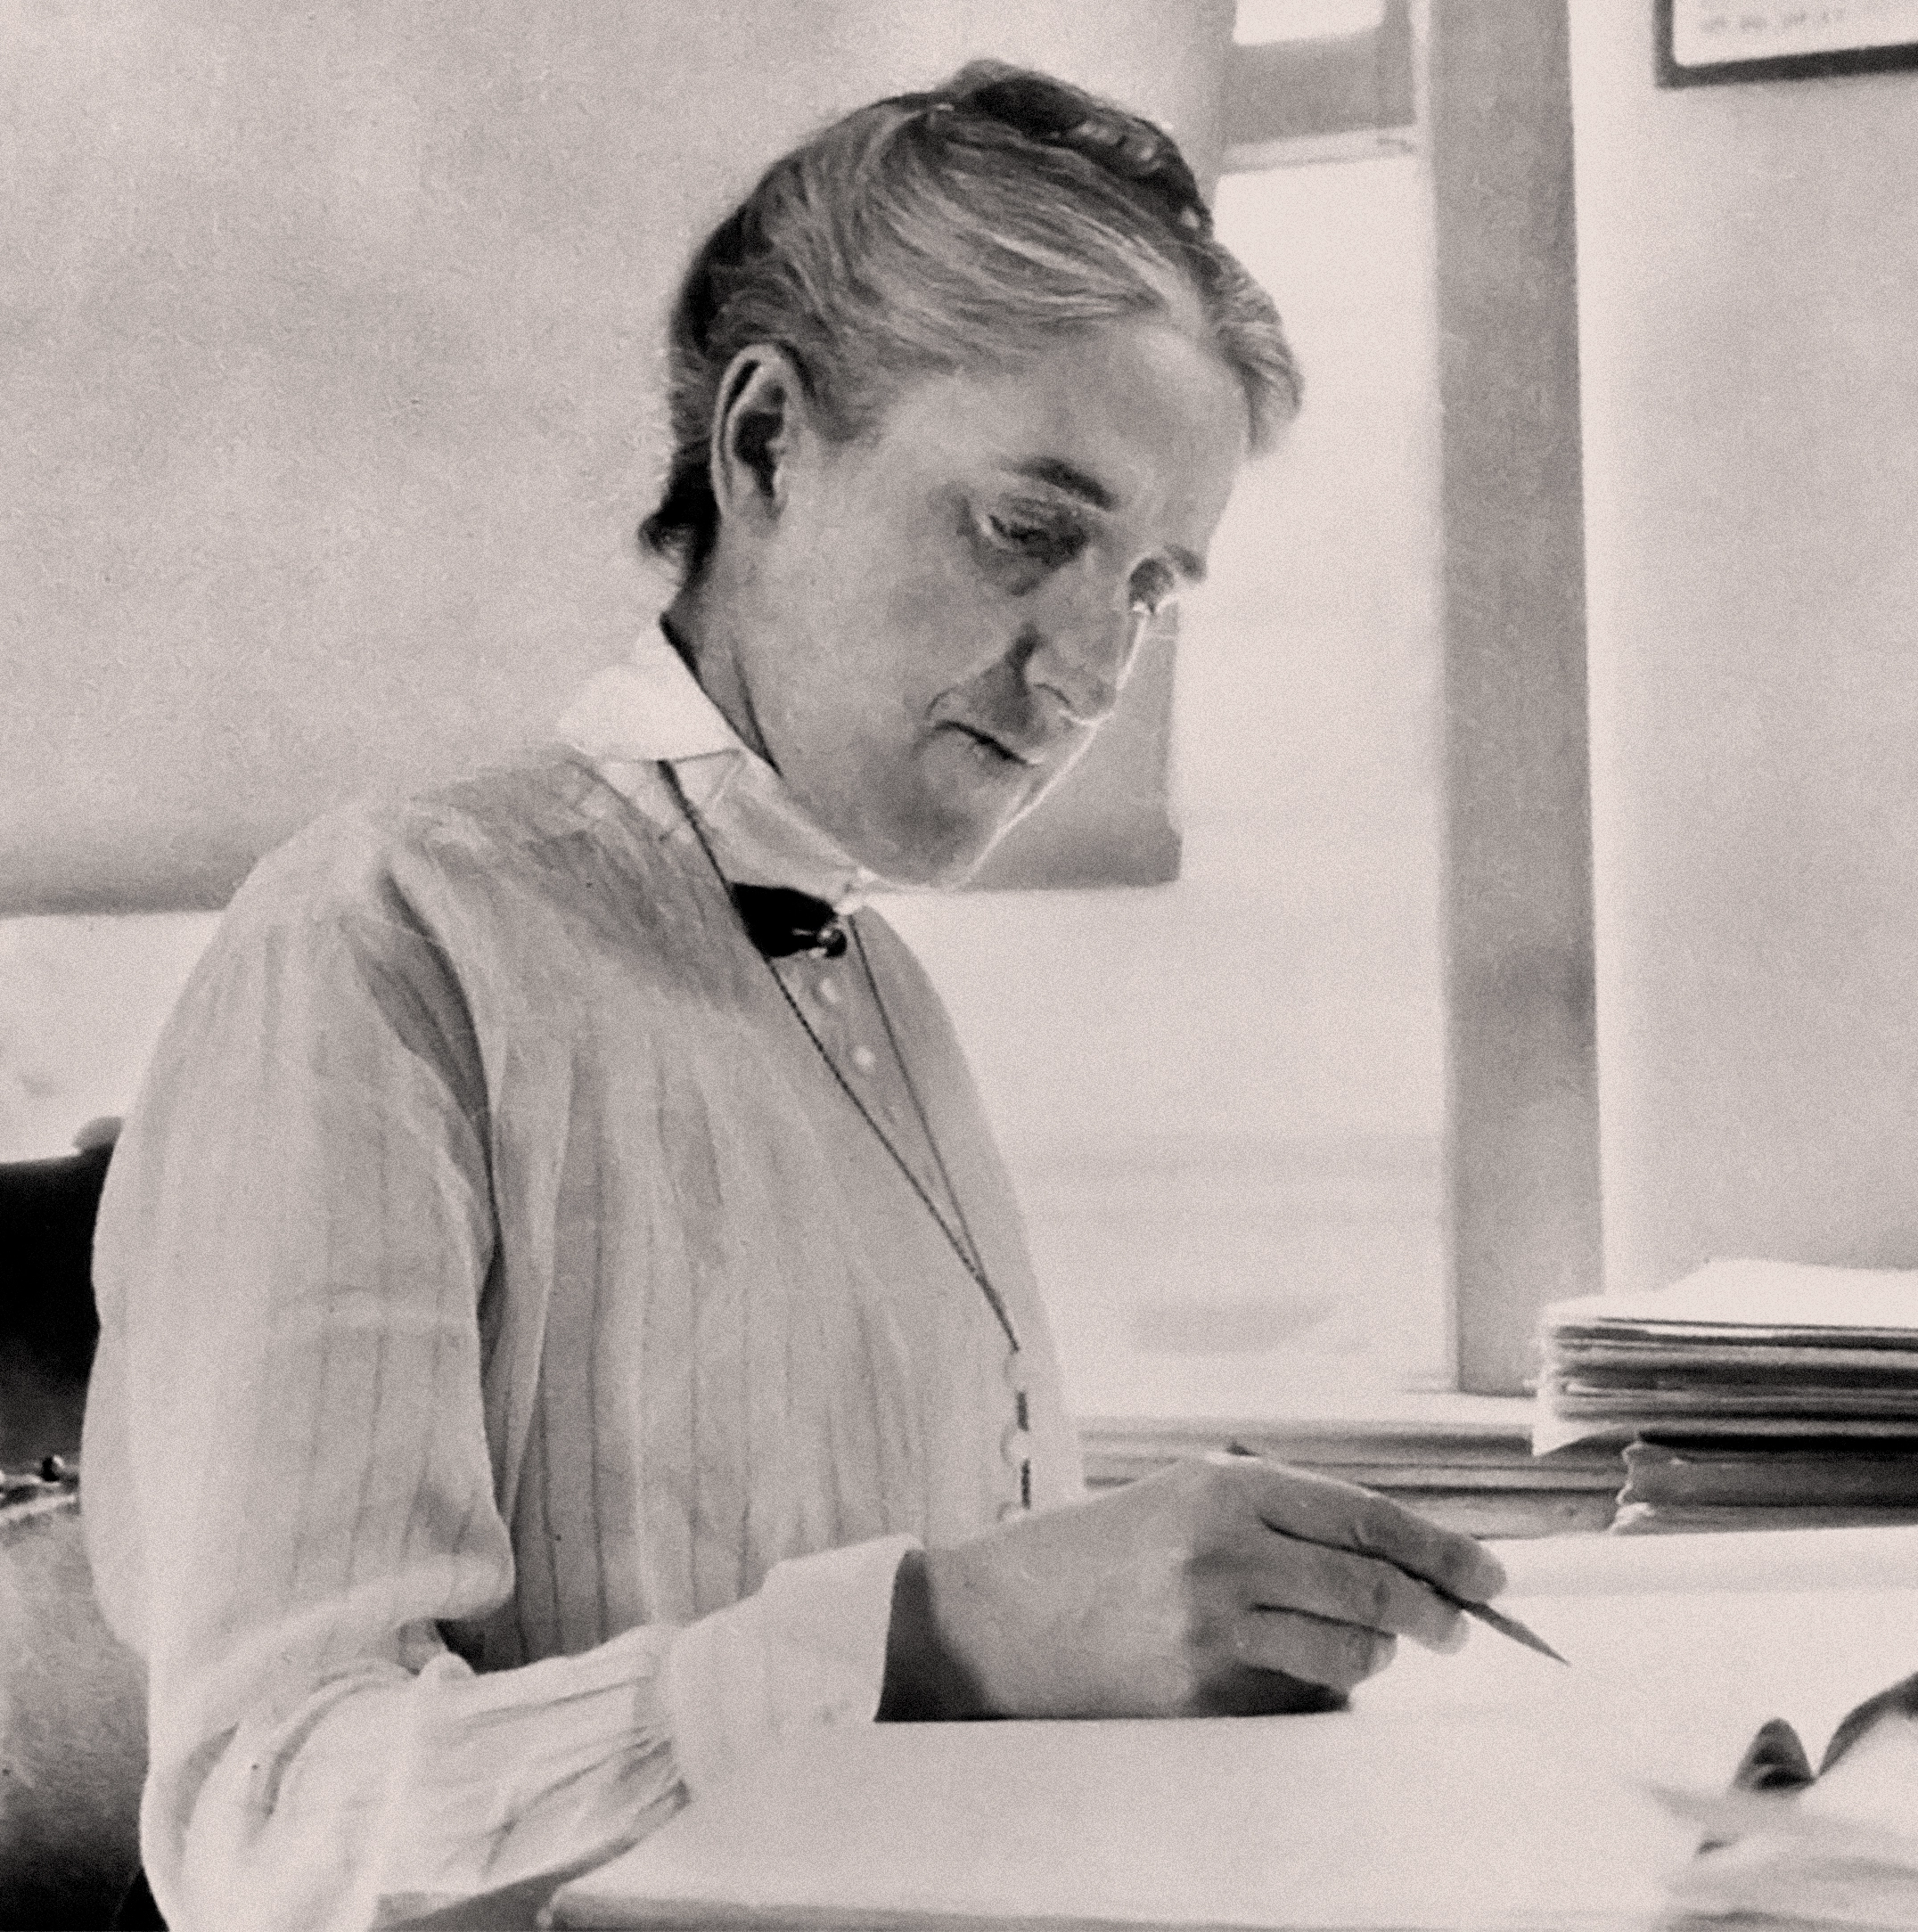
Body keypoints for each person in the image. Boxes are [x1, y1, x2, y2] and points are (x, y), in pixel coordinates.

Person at [82, 61, 1508, 1932]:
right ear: (762, 447)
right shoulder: (377, 941)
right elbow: (271, 1833)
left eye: (1152, 586)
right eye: (1028, 529)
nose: (1092, 668)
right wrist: (930, 1631)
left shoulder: (885, 999)